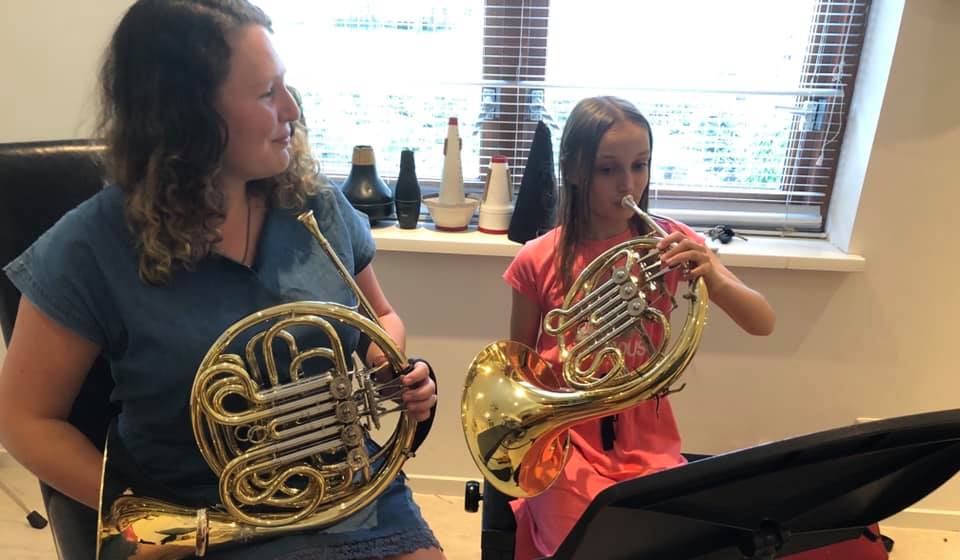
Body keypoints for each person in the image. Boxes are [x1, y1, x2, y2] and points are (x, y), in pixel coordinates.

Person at [0, 1, 443, 559]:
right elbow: (25, 421)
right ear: (185, 117)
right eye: (266, 93)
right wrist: (143, 514)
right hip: (198, 511)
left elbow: (379, 318)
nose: (292, 109)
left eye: (286, 86)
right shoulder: (89, 246)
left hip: (344, 487)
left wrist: (389, 371)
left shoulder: (317, 207)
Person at [503, 96, 776, 559]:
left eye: (639, 165)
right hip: (566, 444)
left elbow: (762, 322)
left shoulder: (672, 245)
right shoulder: (536, 258)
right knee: (585, 547)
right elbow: (519, 368)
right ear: (572, 170)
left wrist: (711, 273)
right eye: (608, 169)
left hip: (647, 443)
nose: (627, 184)